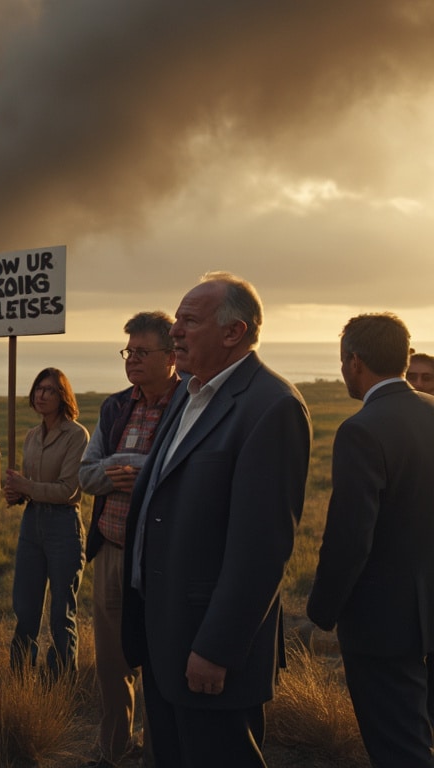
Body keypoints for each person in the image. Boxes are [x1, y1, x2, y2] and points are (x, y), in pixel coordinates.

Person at [122, 272, 311, 768]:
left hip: (207, 651)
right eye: (176, 319)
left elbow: (262, 549)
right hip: (164, 638)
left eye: (189, 321)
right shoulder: (190, 391)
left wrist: (217, 648)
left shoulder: (271, 407)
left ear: (234, 333)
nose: (175, 333)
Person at [307, 313, 434, 767]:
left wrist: (321, 609)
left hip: (383, 622)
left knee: (398, 748)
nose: (343, 370)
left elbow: (351, 536)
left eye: (343, 361)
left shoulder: (361, 430)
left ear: (355, 361)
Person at [78, 311, 180, 767]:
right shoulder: (116, 406)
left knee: (160, 661)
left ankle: (159, 754)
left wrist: (129, 470)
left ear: (172, 355)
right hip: (112, 552)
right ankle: (114, 748)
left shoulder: (188, 404)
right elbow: (85, 474)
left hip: (163, 559)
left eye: (143, 352)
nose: (132, 360)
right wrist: (121, 470)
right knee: (112, 664)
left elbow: (178, 477)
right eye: (128, 352)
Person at [4, 368, 89, 679]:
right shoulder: (31, 435)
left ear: (62, 396)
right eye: (38, 389)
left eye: (50, 390)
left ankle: (62, 680)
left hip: (63, 526)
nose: (41, 395)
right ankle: (20, 677)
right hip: (33, 523)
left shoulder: (76, 435)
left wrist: (26, 486)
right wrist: (16, 494)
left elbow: (69, 490)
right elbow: (31, 487)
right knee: (25, 607)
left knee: (60, 611)